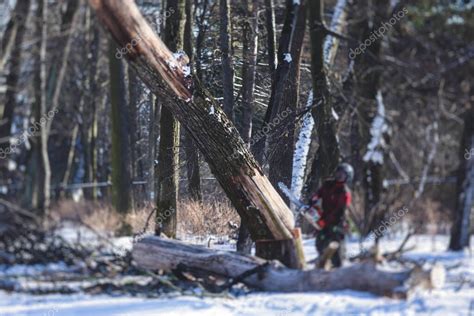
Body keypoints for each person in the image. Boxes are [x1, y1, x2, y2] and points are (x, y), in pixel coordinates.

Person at [306, 163, 353, 268]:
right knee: (320, 243)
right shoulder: (328, 184)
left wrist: (325, 221)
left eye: (342, 175)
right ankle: (323, 265)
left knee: (336, 248)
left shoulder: (345, 193)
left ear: (347, 177)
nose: (339, 177)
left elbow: (340, 211)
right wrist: (313, 200)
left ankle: (338, 268)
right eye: (338, 174)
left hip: (338, 223)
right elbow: (319, 193)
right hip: (325, 218)